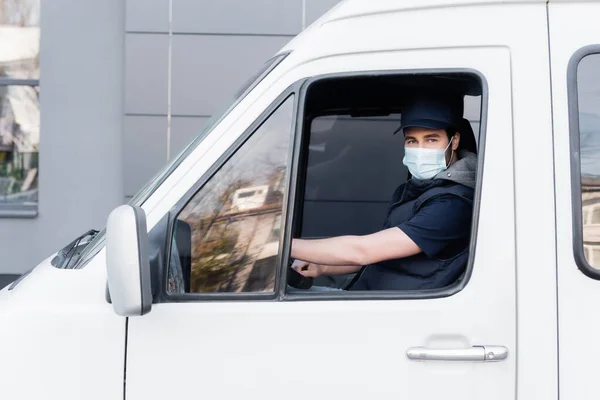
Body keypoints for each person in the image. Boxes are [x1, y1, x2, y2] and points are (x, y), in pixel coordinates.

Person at [290, 94, 477, 291]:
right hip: (371, 299)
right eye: (412, 141)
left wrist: (281, 245)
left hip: (396, 312)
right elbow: (383, 254)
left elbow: (363, 251)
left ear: (454, 141)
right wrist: (322, 266)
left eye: (431, 140)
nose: (420, 150)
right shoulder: (419, 191)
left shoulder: (452, 204)